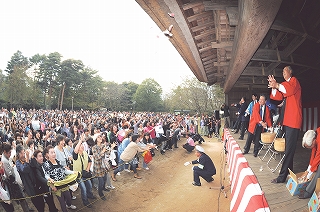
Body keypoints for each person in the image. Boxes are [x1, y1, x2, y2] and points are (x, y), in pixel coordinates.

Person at [268, 66, 302, 184]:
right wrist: (274, 87)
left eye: (284, 71)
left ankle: (282, 177)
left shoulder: (294, 81)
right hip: (287, 120)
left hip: (293, 120)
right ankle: (289, 172)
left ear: (290, 72)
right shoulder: (285, 85)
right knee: (289, 149)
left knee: (289, 150)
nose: (283, 73)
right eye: (282, 71)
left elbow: (289, 90)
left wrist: (277, 85)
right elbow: (277, 96)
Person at [42, 145, 78, 212]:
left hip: (64, 183)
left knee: (69, 197)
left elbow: (65, 171)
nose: (53, 154)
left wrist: (73, 172)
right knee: (62, 202)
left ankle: (69, 205)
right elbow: (46, 175)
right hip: (56, 186)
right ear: (47, 154)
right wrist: (50, 181)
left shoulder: (58, 161)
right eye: (51, 153)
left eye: (54, 152)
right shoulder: (46, 164)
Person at [72, 135, 96, 208]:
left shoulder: (85, 153)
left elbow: (89, 161)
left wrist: (87, 170)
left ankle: (90, 195)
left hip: (85, 173)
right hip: (78, 175)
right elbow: (75, 151)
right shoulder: (75, 155)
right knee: (83, 189)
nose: (82, 146)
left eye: (82, 145)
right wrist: (80, 141)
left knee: (89, 185)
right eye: (80, 145)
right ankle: (85, 202)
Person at [297, 128, 320, 199]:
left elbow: (317, 158)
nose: (310, 148)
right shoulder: (315, 135)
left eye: (310, 146)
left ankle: (309, 191)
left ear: (314, 141)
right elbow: (313, 156)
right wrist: (307, 171)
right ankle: (309, 186)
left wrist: (308, 176)